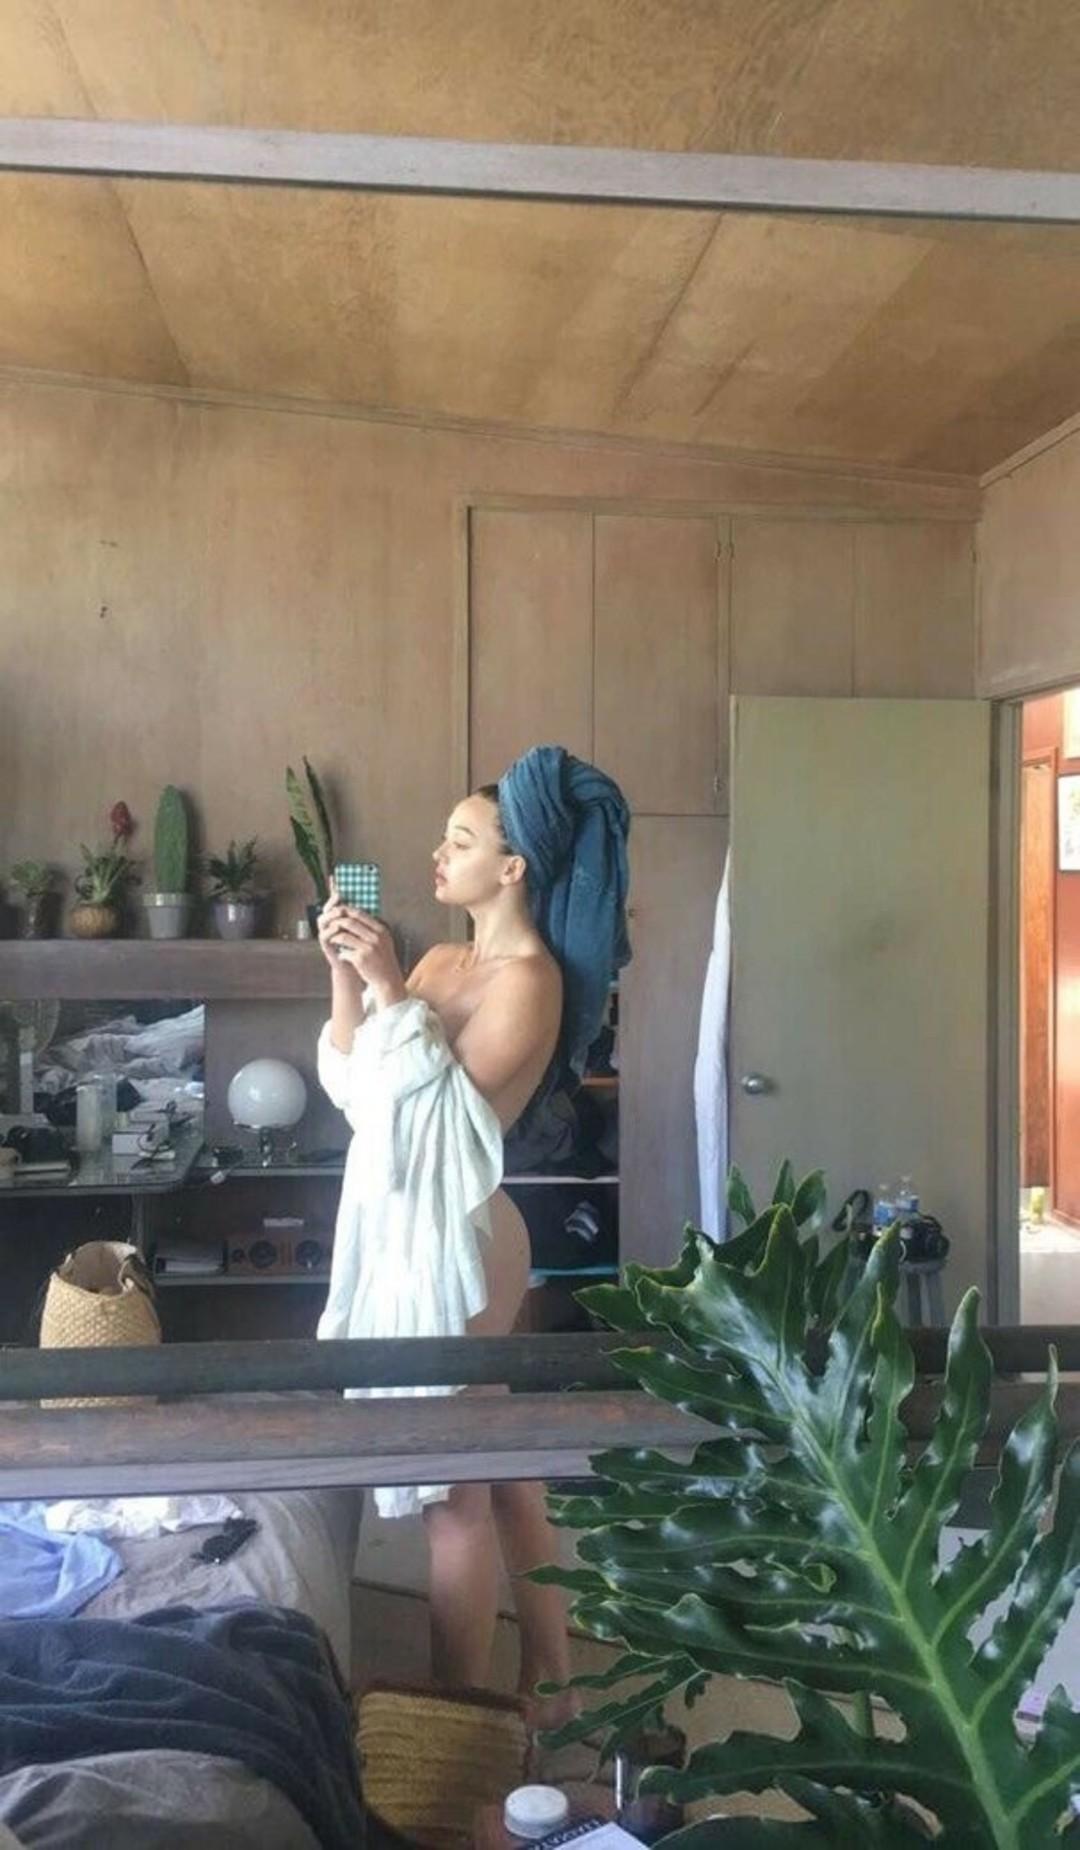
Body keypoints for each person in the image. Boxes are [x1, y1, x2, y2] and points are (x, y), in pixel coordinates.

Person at [315, 746, 631, 1723]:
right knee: (502, 1465)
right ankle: (552, 1679)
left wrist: (390, 989)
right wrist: (348, 977)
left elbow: (448, 1119)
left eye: (461, 840)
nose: (438, 854)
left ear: (513, 866)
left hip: (463, 1239)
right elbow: (363, 1089)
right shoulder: (440, 961)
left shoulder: (531, 979)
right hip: (397, 1225)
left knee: (454, 1490)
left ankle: (455, 1720)